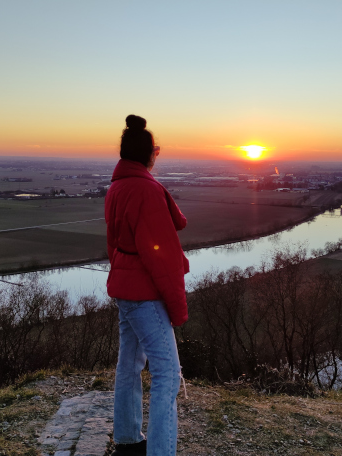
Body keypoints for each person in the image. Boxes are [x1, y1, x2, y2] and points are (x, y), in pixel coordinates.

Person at [105, 114, 189, 456]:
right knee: (167, 373)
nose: (158, 154)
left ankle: (126, 438)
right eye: (156, 149)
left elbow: (113, 244)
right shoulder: (147, 190)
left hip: (124, 289)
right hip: (145, 295)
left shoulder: (118, 186)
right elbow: (163, 259)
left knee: (129, 364)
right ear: (148, 154)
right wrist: (178, 310)